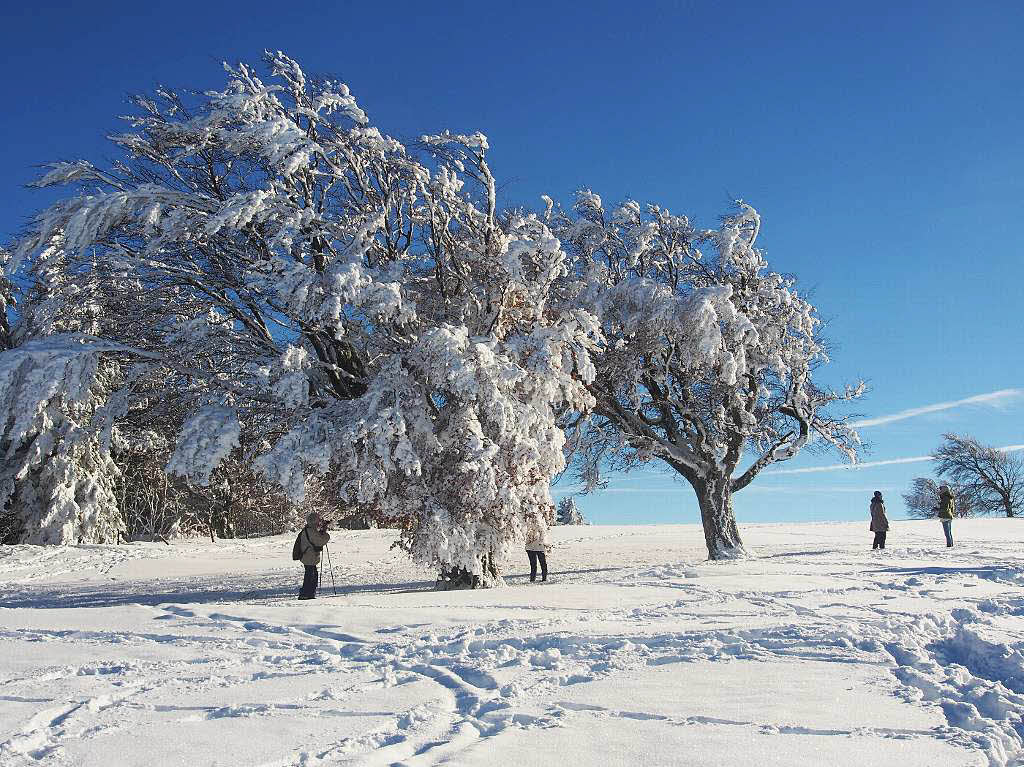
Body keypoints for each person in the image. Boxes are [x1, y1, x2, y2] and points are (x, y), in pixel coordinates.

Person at [297, 513, 331, 600]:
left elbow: (316, 538)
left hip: (308, 557)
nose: (319, 522)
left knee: (312, 575)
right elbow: (320, 540)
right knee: (310, 576)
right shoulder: (310, 531)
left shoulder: (309, 529)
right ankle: (306, 594)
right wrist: (326, 535)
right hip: (309, 557)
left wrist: (322, 531)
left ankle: (309, 594)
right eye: (318, 520)